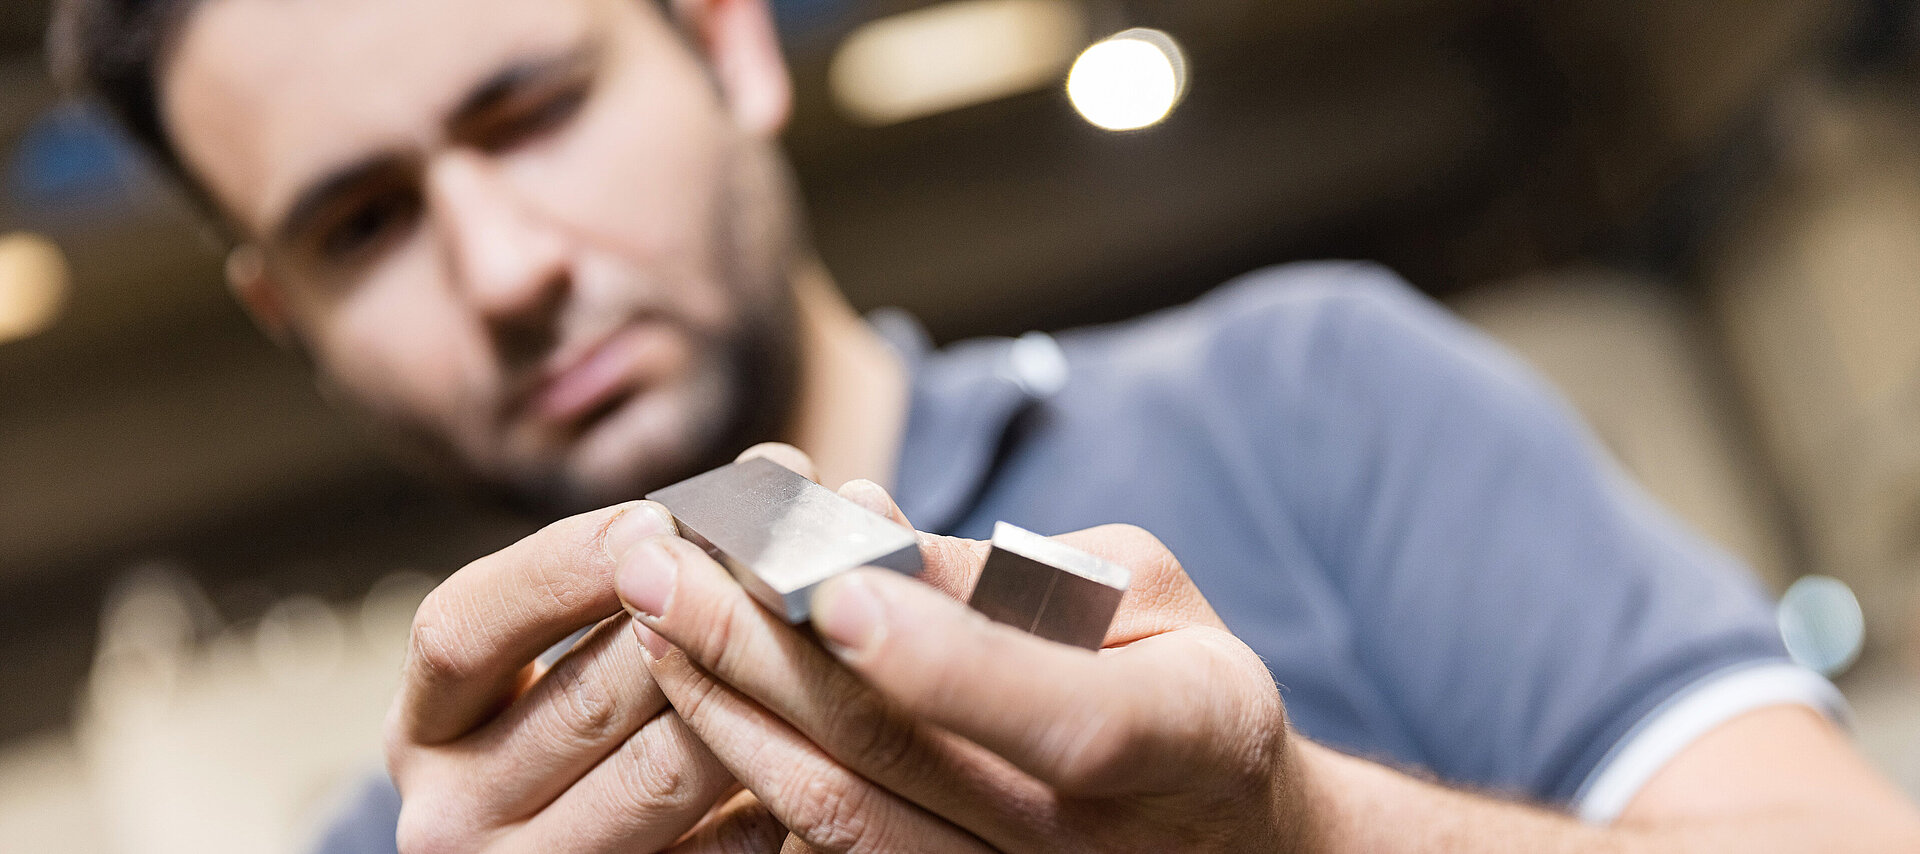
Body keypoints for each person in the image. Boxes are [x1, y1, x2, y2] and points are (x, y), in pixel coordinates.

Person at [49, 0, 1920, 850]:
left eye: (531, 107)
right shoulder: (414, 847)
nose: (504, 263)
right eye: (364, 223)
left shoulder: (1302, 407)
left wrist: (1300, 835)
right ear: (287, 315)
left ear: (726, 41)